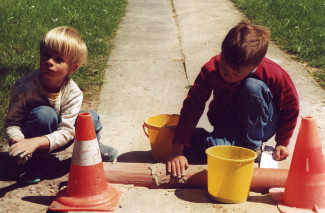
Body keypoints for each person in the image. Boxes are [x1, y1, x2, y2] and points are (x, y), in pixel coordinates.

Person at [167, 20, 299, 177]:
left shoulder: (272, 73)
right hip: (229, 124)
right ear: (222, 53)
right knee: (209, 149)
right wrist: (177, 151)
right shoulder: (211, 70)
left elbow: (291, 107)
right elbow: (193, 105)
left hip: (261, 125)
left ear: (254, 65)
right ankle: (225, 144)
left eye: (236, 74)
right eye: (224, 68)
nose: (227, 75)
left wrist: (282, 142)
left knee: (252, 86)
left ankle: (250, 147)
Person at [5, 26, 118, 184]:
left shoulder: (73, 92)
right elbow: (12, 122)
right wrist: (17, 140)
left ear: (72, 69)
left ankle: (93, 147)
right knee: (44, 114)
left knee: (89, 118)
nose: (49, 62)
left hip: (61, 135)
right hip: (34, 135)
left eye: (58, 59)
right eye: (46, 55)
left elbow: (66, 131)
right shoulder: (24, 86)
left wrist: (36, 142)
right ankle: (34, 163)